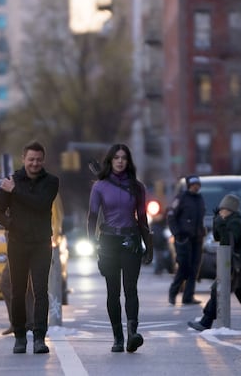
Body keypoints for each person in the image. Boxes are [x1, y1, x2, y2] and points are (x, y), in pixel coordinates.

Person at [0, 140, 59, 355]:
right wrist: (12, 225)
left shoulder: (51, 182)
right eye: (31, 159)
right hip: (17, 244)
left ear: (43, 160)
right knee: (17, 292)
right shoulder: (11, 182)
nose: (35, 163)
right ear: (24, 159)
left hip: (41, 244)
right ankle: (20, 337)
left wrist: (16, 191)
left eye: (38, 160)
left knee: (40, 291)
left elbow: (40, 204)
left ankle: (39, 338)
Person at [88, 144, 154, 353]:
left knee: (131, 289)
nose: (120, 161)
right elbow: (91, 217)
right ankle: (117, 337)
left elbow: (142, 218)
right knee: (113, 291)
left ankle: (132, 334)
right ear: (110, 160)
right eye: (116, 157)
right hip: (108, 241)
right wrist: (92, 243)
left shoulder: (137, 187)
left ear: (128, 161)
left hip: (131, 240)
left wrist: (148, 245)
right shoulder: (99, 186)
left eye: (123, 158)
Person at [187, 194, 241, 335]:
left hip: (236, 266)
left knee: (224, 291)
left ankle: (206, 322)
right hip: (230, 264)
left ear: (230, 210)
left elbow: (228, 241)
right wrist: (217, 221)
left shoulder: (235, 223)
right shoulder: (228, 221)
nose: (221, 212)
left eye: (223, 210)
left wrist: (220, 223)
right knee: (239, 294)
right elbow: (217, 237)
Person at [167, 174, 206, 305]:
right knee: (184, 267)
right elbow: (171, 216)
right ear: (189, 185)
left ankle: (188, 296)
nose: (196, 187)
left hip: (197, 238)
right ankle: (173, 292)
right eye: (194, 184)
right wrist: (177, 233)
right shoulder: (181, 198)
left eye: (198, 184)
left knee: (194, 268)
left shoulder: (199, 199)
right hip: (184, 238)